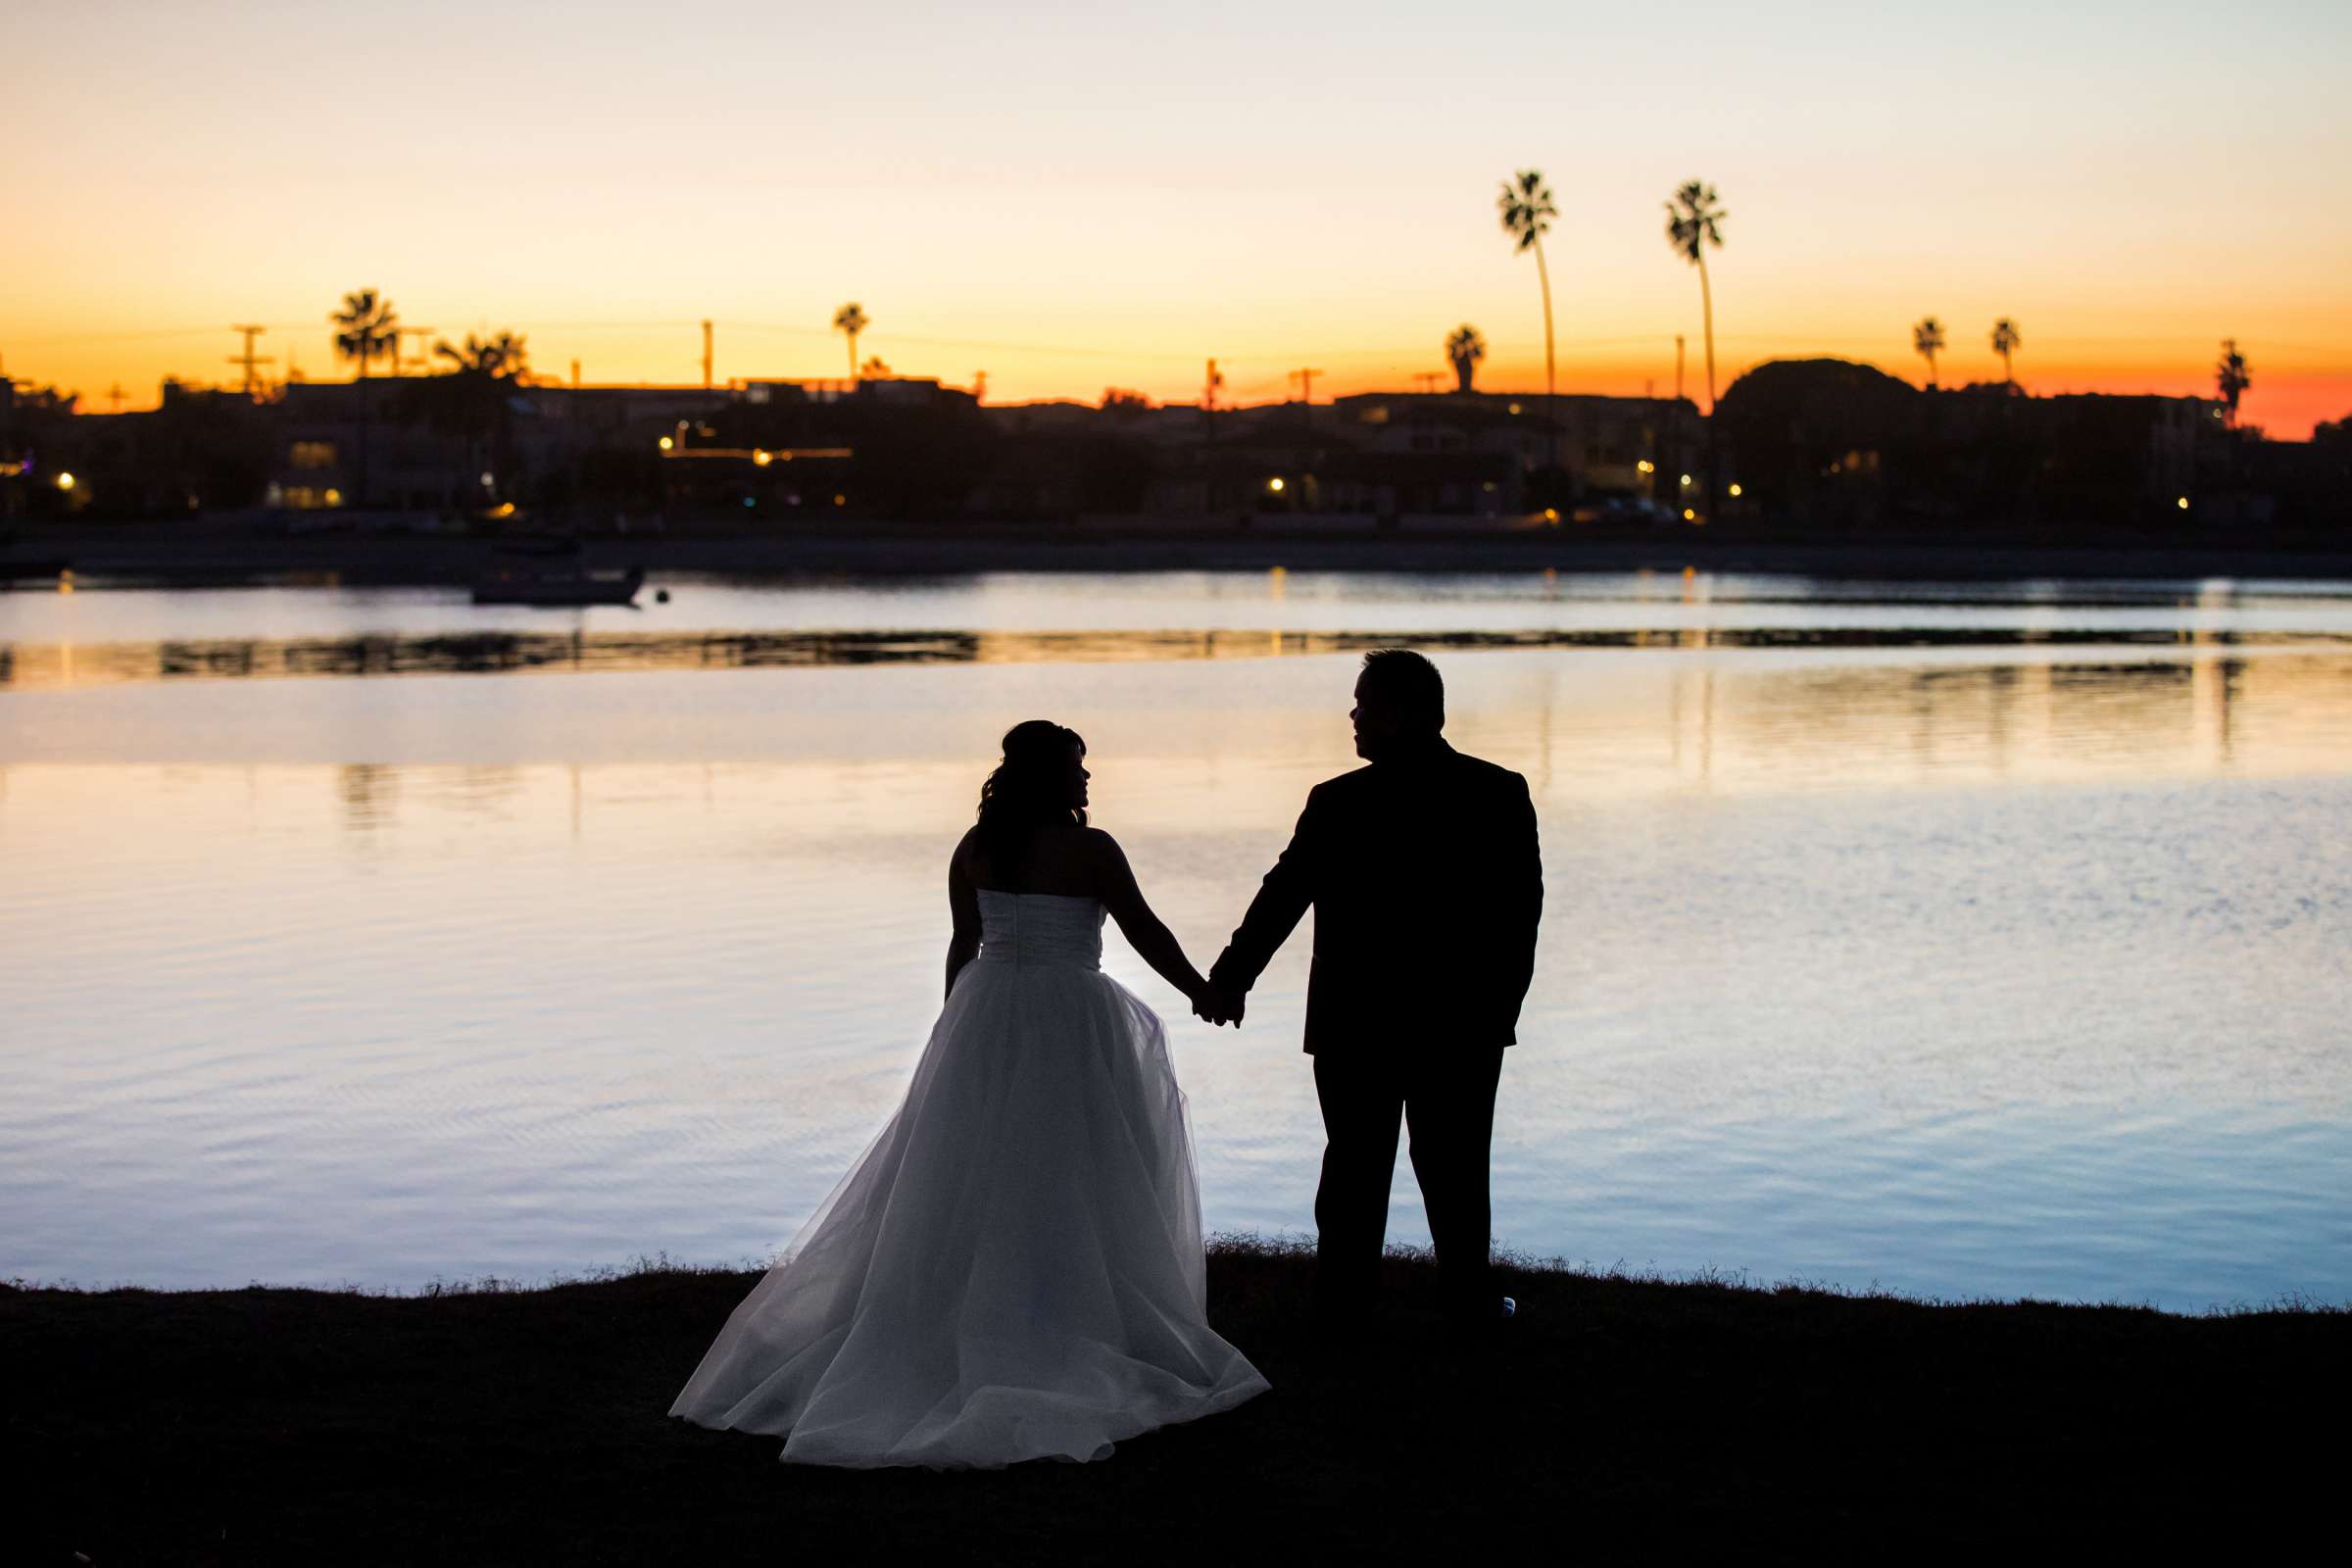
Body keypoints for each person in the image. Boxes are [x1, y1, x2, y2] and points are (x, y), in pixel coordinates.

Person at [671, 720, 1267, 1467]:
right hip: (1066, 1016)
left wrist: (956, 1022)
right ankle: (1061, 1310)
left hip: (986, 1008)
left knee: (980, 1168)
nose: (1088, 781)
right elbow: (1145, 931)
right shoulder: (1092, 849)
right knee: (1070, 1166)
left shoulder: (975, 845)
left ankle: (1000, 1299)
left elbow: (964, 942)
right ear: (1050, 778)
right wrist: (1203, 992)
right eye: (1077, 769)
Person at [1202, 650, 1542, 1333]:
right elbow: (1520, 919)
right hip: (1462, 1020)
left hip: (1357, 1020)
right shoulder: (1497, 792)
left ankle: (1344, 1308)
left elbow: (1283, 896)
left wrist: (1231, 979)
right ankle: (1466, 1307)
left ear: (1403, 713)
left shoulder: (1340, 802)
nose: (1352, 720)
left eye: (1363, 708)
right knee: (1455, 1171)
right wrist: (1499, 1010)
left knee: (1355, 1167)